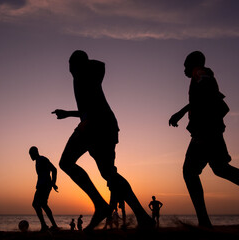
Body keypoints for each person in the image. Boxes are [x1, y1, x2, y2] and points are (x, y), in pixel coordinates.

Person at [52, 50, 154, 230]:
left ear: (76, 64)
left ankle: (100, 205)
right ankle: (142, 216)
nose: (68, 68)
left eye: (70, 64)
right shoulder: (82, 76)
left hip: (95, 127)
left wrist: (87, 120)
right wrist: (69, 114)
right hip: (104, 125)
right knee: (108, 173)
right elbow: (91, 106)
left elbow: (100, 68)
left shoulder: (86, 74)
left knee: (66, 163)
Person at [169, 51, 238, 228]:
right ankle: (204, 221)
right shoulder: (201, 76)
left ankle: (204, 221)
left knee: (189, 172)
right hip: (211, 131)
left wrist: (204, 125)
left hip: (205, 132)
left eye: (185, 65)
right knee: (221, 169)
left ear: (193, 63)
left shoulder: (200, 73)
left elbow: (210, 94)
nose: (184, 69)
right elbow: (207, 96)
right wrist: (182, 112)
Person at [29, 146, 59, 232]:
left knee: (36, 204)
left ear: (35, 153)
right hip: (42, 185)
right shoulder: (38, 161)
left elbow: (54, 169)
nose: (30, 156)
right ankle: (52, 225)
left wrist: (53, 183)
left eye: (31, 154)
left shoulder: (42, 159)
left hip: (44, 185)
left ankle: (45, 225)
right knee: (43, 204)